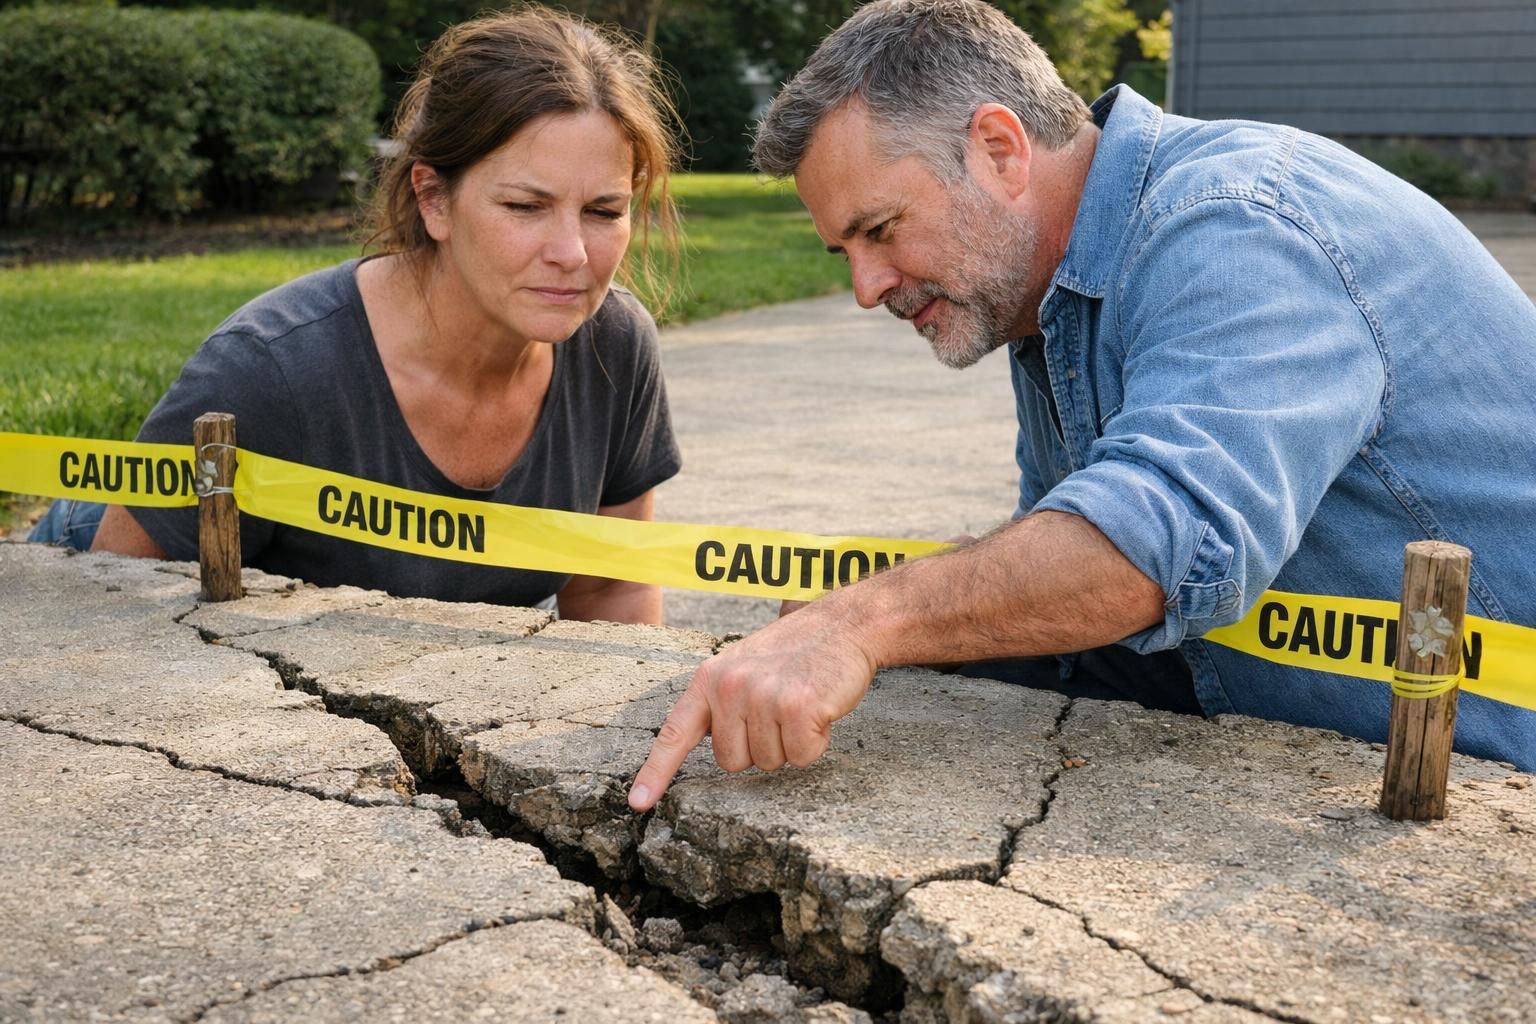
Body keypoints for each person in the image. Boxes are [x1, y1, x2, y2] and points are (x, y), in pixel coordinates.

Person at [628, 0, 1536, 810]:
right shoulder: (1047, 295)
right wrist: (869, 618)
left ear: (999, 149)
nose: (866, 288)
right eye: (844, 253)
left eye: (879, 230)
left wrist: (864, 623)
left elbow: (1156, 543)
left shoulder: (1234, 225)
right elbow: (1078, 584)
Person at [33, 7, 684, 624]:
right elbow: (114, 628)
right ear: (432, 199)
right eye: (524, 206)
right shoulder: (271, 374)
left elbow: (610, 584)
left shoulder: (614, 345)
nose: (571, 254)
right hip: (89, 568)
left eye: (603, 212)